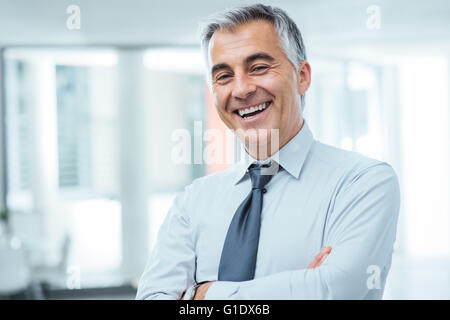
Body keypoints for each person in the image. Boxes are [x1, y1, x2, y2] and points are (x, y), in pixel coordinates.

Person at [136, 4, 400, 300]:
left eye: (259, 68)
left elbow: (337, 290)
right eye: (223, 76)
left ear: (302, 76)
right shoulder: (193, 203)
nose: (241, 90)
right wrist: (301, 288)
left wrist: (203, 296)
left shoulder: (363, 183)